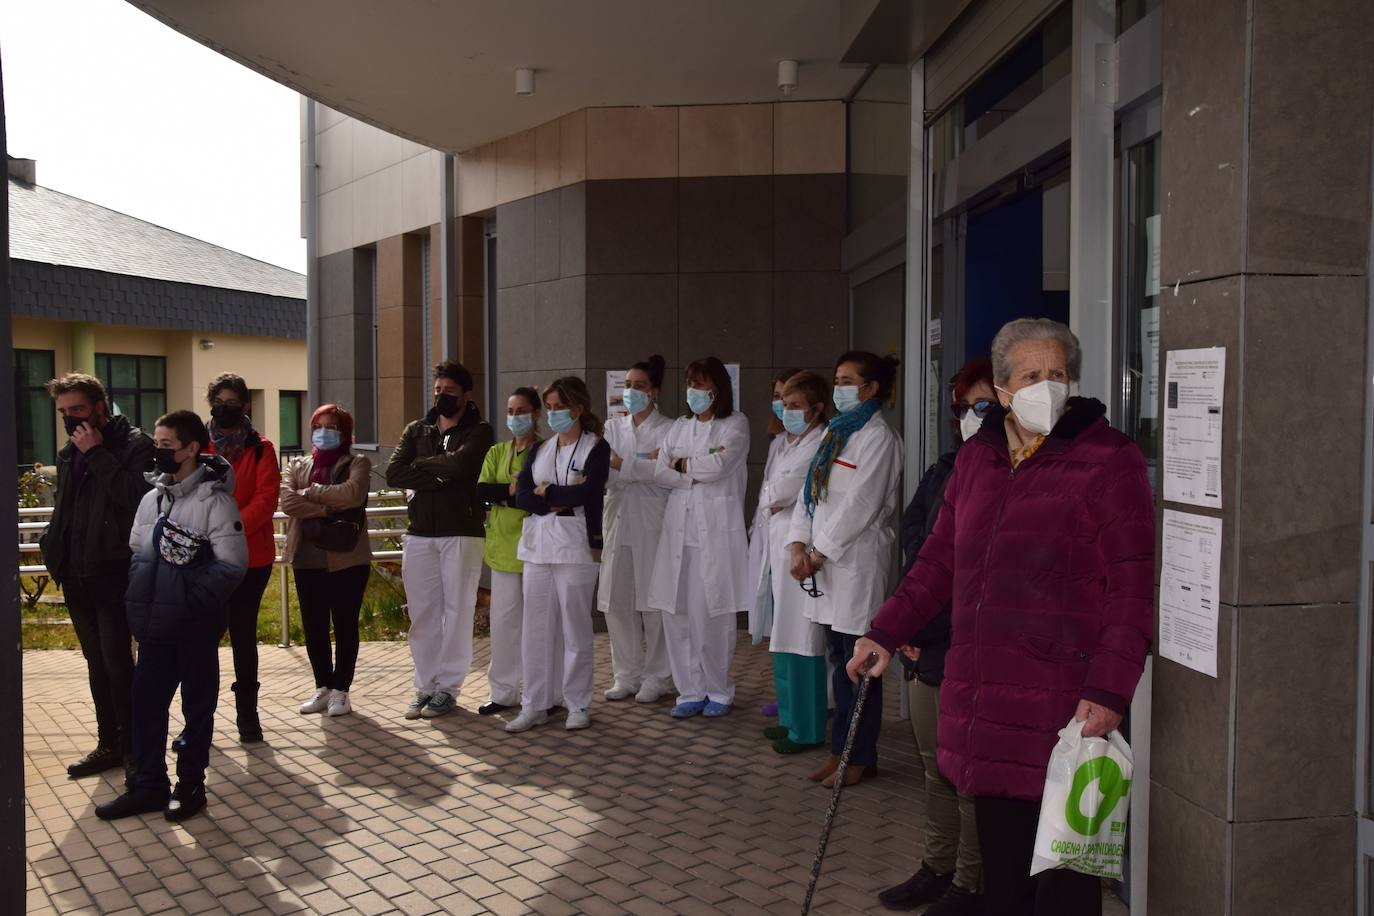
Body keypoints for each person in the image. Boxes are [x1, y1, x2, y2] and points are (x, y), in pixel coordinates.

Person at [849, 318, 1155, 916]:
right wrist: (885, 632)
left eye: (1058, 373)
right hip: (986, 703)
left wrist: (1109, 690)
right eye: (1031, 375)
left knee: (1064, 887)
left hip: (1064, 706)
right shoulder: (977, 459)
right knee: (1004, 883)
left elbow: (1132, 588)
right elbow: (937, 563)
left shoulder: (1108, 459)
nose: (1048, 385)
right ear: (1003, 388)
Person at [878, 358, 993, 915]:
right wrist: (907, 627)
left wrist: (925, 629)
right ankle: (937, 866)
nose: (971, 417)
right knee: (935, 768)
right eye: (963, 408)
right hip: (924, 643)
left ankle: (970, 885)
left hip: (964, 646)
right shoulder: (947, 467)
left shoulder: (1009, 479)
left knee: (968, 777)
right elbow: (917, 540)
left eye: (983, 405)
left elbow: (976, 573)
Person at [95, 411, 247, 821]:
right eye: (156, 444)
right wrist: (140, 600)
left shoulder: (215, 501)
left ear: (191, 448)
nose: (157, 451)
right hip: (153, 628)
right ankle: (148, 785)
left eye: (166, 445)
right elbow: (137, 553)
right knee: (145, 707)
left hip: (195, 627)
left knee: (196, 708)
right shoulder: (152, 499)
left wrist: (188, 603)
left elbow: (232, 565)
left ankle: (190, 784)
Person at [786, 351, 903, 787]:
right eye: (836, 380)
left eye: (848, 381)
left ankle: (859, 756)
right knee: (839, 662)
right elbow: (810, 495)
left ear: (871, 388)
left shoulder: (879, 438)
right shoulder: (835, 433)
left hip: (856, 564)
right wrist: (798, 544)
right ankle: (841, 751)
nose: (839, 389)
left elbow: (861, 506)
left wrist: (817, 554)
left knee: (861, 668)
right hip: (825, 564)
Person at [40, 373, 154, 781]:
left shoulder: (136, 445)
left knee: (119, 664)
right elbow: (67, 508)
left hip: (113, 572)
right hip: (77, 572)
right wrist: (52, 546)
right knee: (97, 663)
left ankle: (136, 749)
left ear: (101, 407)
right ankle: (109, 743)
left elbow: (137, 501)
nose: (70, 419)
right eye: (63, 412)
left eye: (78, 409)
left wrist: (98, 453)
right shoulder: (68, 453)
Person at [385, 361, 495, 719]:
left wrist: (420, 466)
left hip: (461, 532)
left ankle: (448, 688)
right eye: (437, 390)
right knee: (422, 615)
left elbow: (462, 468)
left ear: (466, 394)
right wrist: (439, 473)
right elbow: (394, 472)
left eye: (449, 391)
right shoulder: (417, 429)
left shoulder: (479, 431)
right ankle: (425, 686)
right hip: (420, 534)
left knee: (458, 612)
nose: (442, 396)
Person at [505, 376, 611, 733]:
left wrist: (547, 493)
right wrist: (555, 497)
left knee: (575, 628)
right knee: (535, 629)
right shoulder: (541, 449)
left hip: (576, 549)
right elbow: (522, 496)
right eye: (549, 408)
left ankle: (578, 703)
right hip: (538, 547)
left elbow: (589, 494)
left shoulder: (595, 447)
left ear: (578, 408)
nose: (553, 414)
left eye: (559, 407)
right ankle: (535, 703)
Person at [649, 357, 750, 719]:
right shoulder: (679, 427)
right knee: (677, 615)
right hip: (679, 535)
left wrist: (681, 465)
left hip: (715, 538)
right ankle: (689, 691)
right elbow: (660, 472)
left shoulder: (735, 424)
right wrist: (690, 467)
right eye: (690, 383)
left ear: (717, 389)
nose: (693, 391)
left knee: (712, 618)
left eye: (701, 384)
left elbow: (720, 465)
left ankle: (719, 690)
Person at [279, 404, 373, 718]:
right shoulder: (298, 464)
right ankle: (323, 686)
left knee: (345, 625)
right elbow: (288, 501)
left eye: (331, 427)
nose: (323, 432)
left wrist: (312, 492)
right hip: (306, 558)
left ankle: (341, 690)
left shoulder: (357, 463)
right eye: (318, 426)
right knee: (314, 626)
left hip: (347, 558)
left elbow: (352, 494)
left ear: (344, 433)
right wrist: (325, 508)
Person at [203, 374, 281, 743]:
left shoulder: (261, 448)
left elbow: (265, 500)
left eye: (232, 402)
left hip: (251, 557)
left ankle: (248, 715)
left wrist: (227, 529)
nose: (225, 408)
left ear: (246, 405)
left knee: (243, 635)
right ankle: (199, 717)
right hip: (205, 558)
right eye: (219, 402)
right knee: (203, 637)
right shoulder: (197, 445)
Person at [758, 371, 829, 754]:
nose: (787, 412)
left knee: (802, 641)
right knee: (783, 637)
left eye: (795, 406)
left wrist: (773, 494)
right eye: (784, 405)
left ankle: (807, 729)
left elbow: (781, 492)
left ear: (817, 409)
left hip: (800, 551)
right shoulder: (789, 444)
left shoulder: (818, 443)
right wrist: (773, 494)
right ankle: (789, 719)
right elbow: (770, 493)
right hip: (780, 547)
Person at [598, 355, 674, 704]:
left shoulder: (670, 429)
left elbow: (664, 473)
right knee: (616, 600)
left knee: (652, 602)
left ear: (654, 391)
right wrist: (639, 464)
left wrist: (623, 464)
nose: (631, 391)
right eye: (627, 385)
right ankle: (626, 674)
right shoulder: (612, 428)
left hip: (652, 522)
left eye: (639, 386)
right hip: (617, 520)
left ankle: (656, 676)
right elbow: (603, 472)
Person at [474, 387, 542, 715]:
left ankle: (542, 693)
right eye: (511, 411)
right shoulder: (497, 452)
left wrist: (506, 495)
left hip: (536, 548)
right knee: (503, 624)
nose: (515, 418)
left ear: (536, 414)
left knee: (537, 625)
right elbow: (481, 491)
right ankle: (503, 692)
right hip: (502, 549)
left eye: (522, 411)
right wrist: (510, 492)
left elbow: (537, 496)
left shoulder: (544, 450)